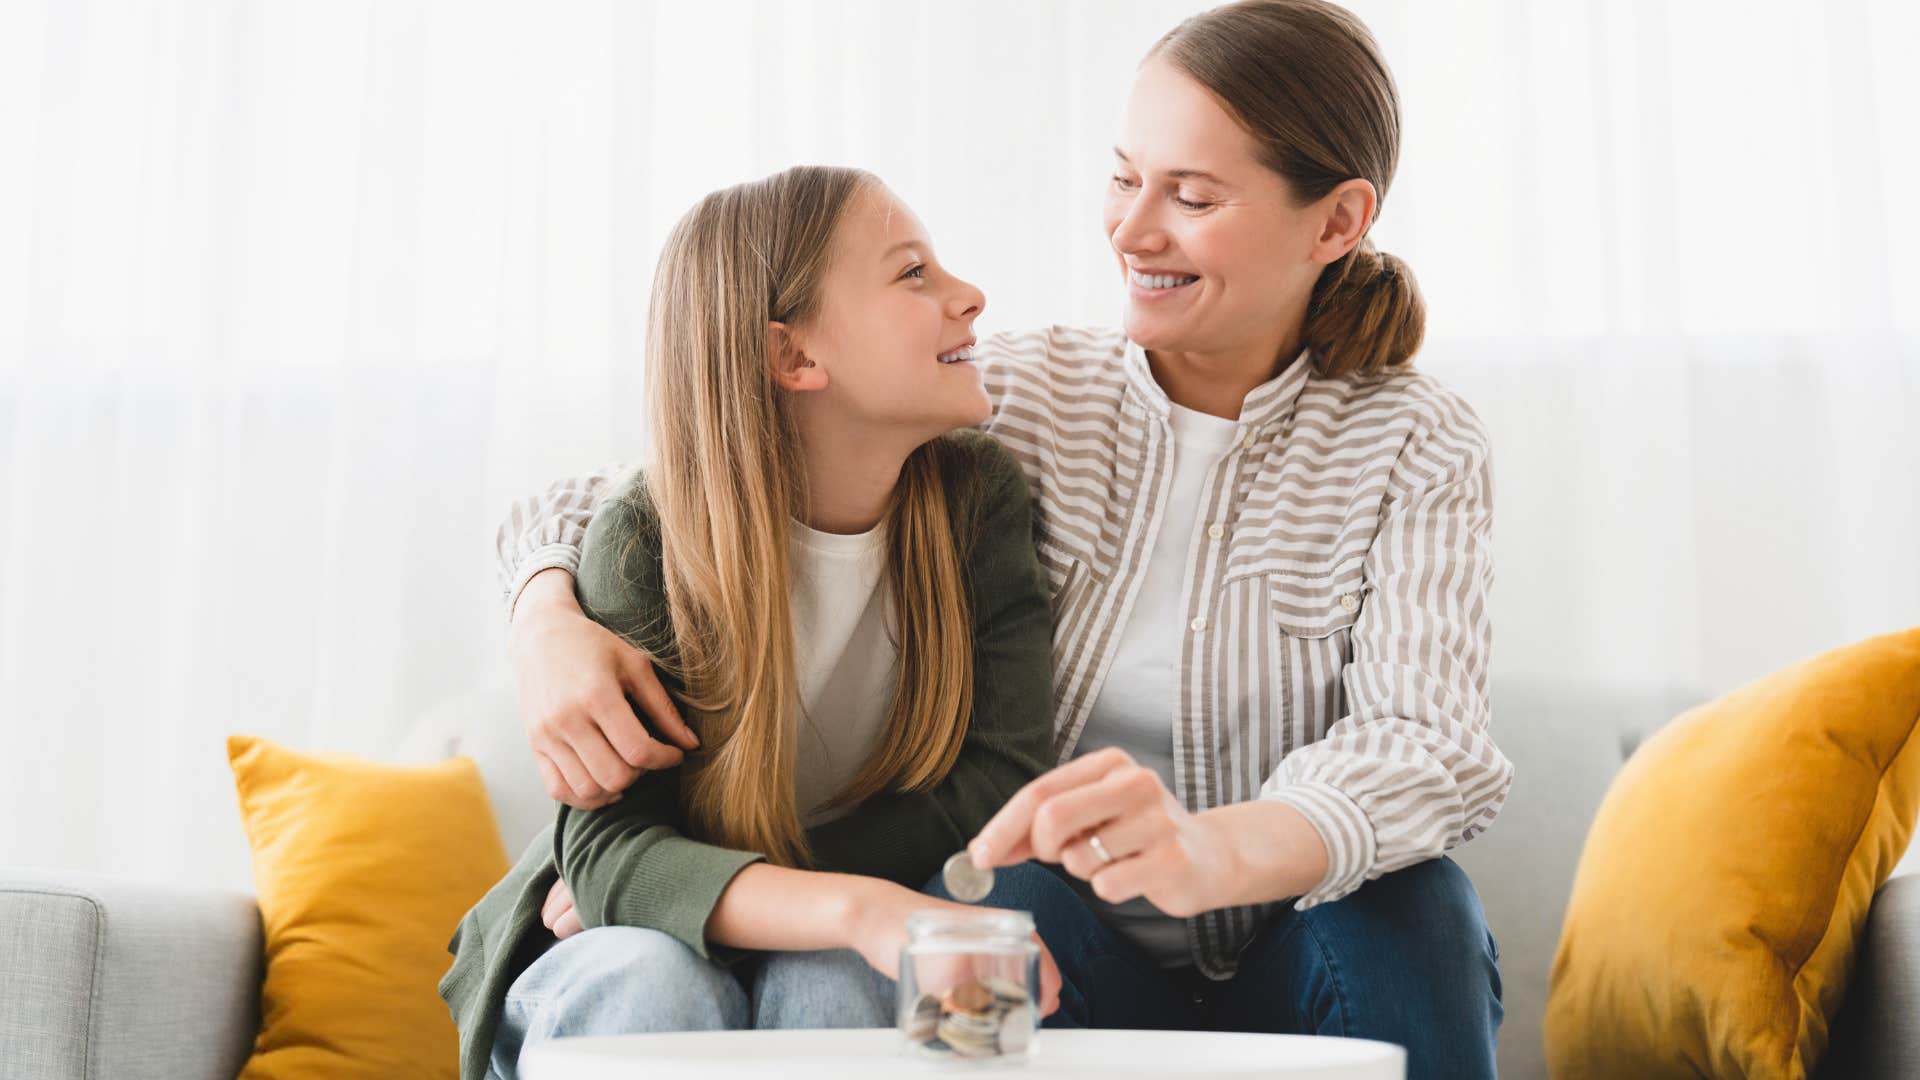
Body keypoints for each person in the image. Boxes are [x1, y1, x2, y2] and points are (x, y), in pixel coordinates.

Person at [500, 3, 1511, 1076]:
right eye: (1125, 179)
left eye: (1194, 197)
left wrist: (1212, 852)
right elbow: (696, 466)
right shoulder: (1009, 398)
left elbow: (1427, 744)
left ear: (1337, 222)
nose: (1130, 231)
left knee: (1418, 898)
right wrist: (544, 614)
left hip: (1280, 937)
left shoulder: (1416, 440)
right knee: (991, 897)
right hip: (1055, 942)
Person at [439, 165, 1065, 1080]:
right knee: (657, 979)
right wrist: (854, 906)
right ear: (793, 357)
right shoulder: (647, 540)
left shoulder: (976, 505)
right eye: (912, 274)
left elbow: (1000, 781)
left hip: (777, 917)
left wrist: (727, 889)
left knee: (841, 981)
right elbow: (611, 859)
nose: (968, 297)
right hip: (596, 952)